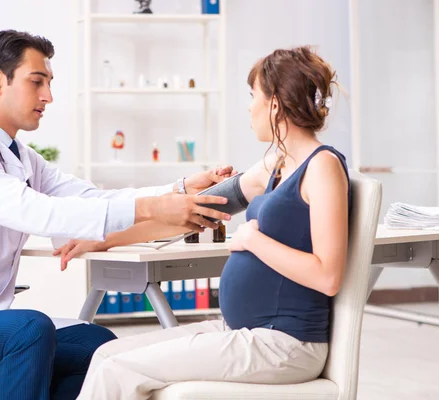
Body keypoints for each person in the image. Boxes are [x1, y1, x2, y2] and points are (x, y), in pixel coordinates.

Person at [0, 30, 235, 400]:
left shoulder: (18, 154)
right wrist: (151, 208)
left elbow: (90, 197)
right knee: (28, 329)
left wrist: (179, 189)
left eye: (49, 83)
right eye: (37, 82)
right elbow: (38, 212)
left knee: (97, 344)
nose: (48, 96)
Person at [56, 46, 351, 400]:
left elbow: (328, 276)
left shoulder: (322, 167)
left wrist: (255, 241)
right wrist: (101, 240)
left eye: (252, 95)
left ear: (274, 104)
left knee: (120, 371)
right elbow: (186, 214)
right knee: (105, 356)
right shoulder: (274, 164)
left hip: (284, 344)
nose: (248, 106)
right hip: (243, 330)